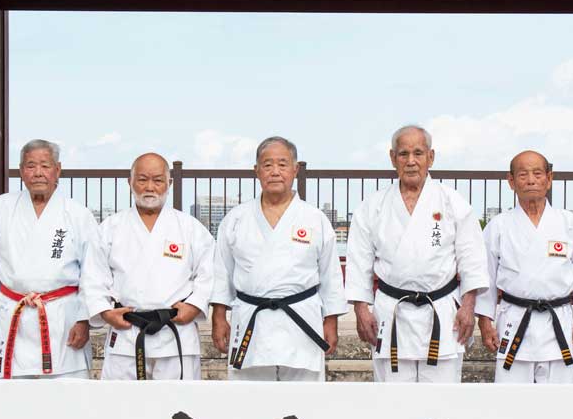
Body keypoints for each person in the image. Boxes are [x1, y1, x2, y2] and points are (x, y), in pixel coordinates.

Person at [346, 124, 488, 384]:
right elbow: (358, 262)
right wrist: (360, 309)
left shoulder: (452, 201)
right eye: (403, 154)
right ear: (392, 158)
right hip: (391, 313)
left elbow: (472, 259)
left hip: (443, 314)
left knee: (441, 404)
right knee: (392, 404)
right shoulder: (373, 206)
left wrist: (468, 306)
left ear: (430, 157)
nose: (411, 161)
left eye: (418, 153)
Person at [211, 136, 346, 381]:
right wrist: (219, 317)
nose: (275, 171)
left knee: (303, 403)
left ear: (295, 169)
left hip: (301, 320)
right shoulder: (236, 219)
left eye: (282, 164)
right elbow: (222, 273)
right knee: (248, 400)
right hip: (252, 319)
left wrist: (331, 321)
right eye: (267, 165)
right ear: (256, 171)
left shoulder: (314, 219)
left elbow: (331, 276)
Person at [0, 138, 101, 379]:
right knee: (9, 401)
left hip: (63, 318)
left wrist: (84, 319)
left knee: (66, 397)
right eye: (30, 166)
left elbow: (92, 272)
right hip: (11, 313)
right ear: (21, 171)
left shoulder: (78, 215)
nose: (38, 173)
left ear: (57, 170)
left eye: (45, 165)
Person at [86, 152, 214, 381]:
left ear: (169, 183)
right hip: (127, 333)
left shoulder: (190, 228)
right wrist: (106, 313)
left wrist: (194, 306)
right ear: (130, 182)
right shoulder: (110, 228)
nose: (150, 187)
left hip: (175, 333)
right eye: (142, 179)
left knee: (179, 409)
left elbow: (208, 273)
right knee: (122, 409)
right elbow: (93, 277)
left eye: (157, 180)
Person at [477, 150, 573, 384]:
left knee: (560, 402)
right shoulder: (498, 226)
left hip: (559, 323)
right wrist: (484, 322)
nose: (531, 180)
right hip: (514, 320)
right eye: (523, 175)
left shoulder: (568, 223)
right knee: (511, 401)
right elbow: (486, 277)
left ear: (549, 178)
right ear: (511, 182)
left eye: (537, 173)